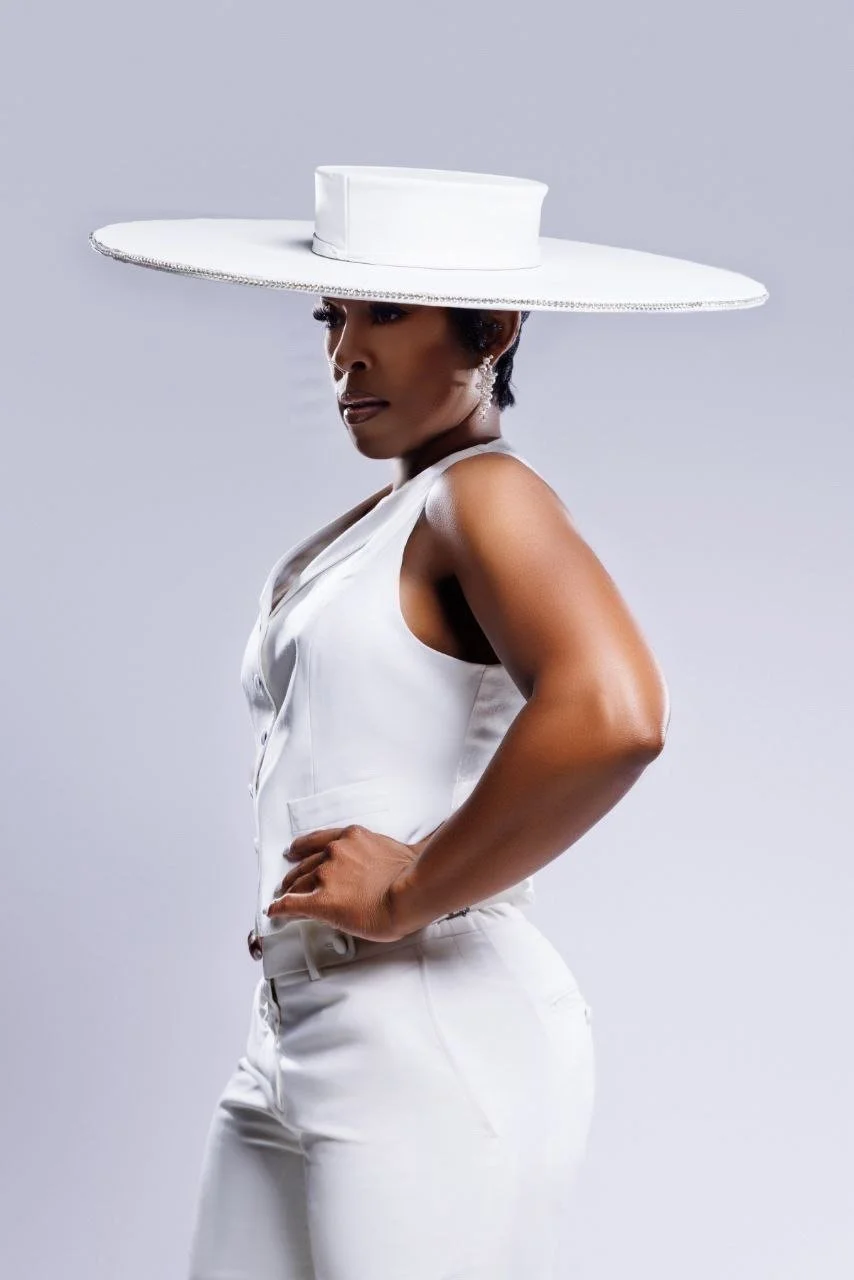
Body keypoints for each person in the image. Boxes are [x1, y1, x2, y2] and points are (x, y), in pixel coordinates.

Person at [90, 165, 768, 1280]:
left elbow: (613, 711)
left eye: (385, 313)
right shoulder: (384, 517)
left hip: (430, 1034)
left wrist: (407, 887)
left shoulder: (483, 494)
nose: (342, 352)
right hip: (295, 1030)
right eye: (332, 312)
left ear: (491, 330)